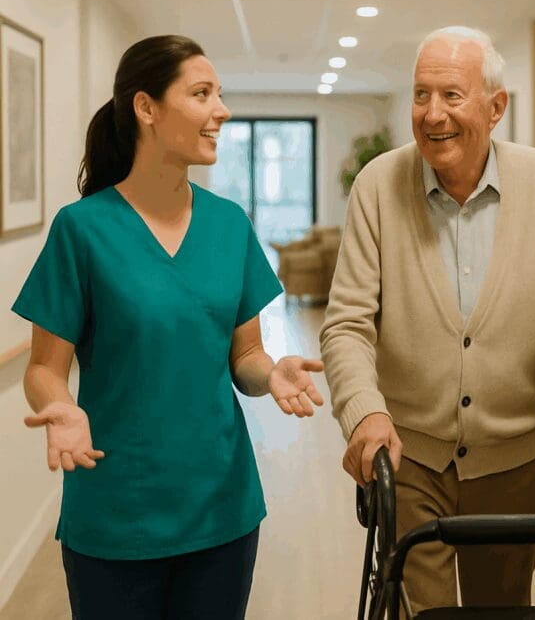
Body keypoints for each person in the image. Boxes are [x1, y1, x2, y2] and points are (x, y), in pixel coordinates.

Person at [13, 35, 325, 620]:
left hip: (221, 510)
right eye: (202, 94)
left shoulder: (230, 225)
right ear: (146, 107)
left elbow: (246, 357)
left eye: (220, 94)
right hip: (115, 512)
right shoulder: (81, 230)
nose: (221, 111)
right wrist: (60, 407)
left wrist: (272, 372)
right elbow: (43, 369)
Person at [320, 26, 535, 613]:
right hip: (409, 456)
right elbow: (347, 323)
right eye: (421, 95)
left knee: (502, 609)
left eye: (452, 96)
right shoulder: (378, 186)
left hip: (513, 460)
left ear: (496, 105)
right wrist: (365, 412)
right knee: (422, 612)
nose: (433, 114)